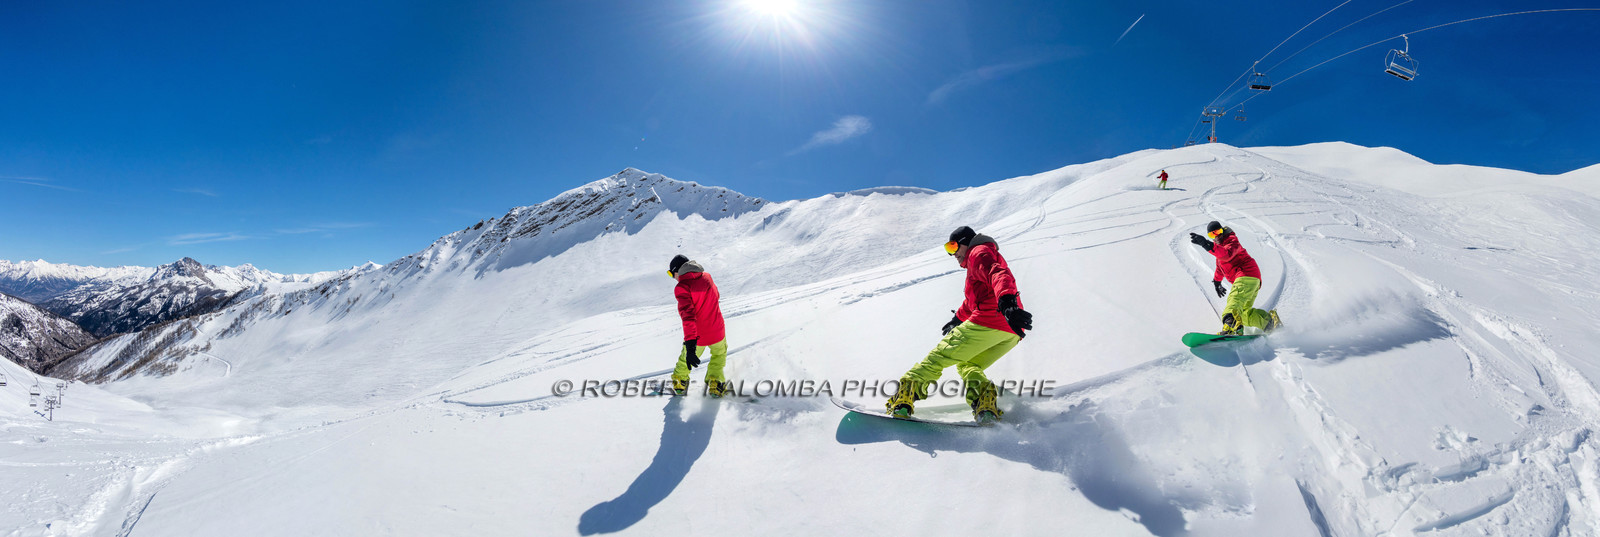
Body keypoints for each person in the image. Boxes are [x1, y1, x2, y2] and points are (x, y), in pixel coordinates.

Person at [886, 226, 1034, 423]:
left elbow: (998, 274)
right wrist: (958, 319)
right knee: (968, 364)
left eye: (953, 246)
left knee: (936, 359)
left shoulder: (978, 252)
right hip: (1010, 331)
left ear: (966, 242)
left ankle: (904, 399)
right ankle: (984, 404)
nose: (952, 254)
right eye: (948, 249)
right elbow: (973, 301)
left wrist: (1007, 300)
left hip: (988, 321)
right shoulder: (979, 258)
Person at [1189, 221, 1281, 335]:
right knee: (1244, 313)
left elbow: (1226, 254)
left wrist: (1207, 244)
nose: (1216, 236)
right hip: (1251, 280)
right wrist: (1217, 282)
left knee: (1234, 300)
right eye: (1212, 234)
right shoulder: (1220, 249)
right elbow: (1219, 268)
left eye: (1218, 232)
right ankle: (1269, 323)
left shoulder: (1232, 241)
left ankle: (1231, 325)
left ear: (1223, 231)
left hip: (1245, 275)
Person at [668, 254, 730, 397]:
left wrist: (690, 344)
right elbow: (717, 295)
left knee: (686, 359)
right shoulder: (707, 277)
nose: (672, 277)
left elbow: (688, 317)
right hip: (717, 330)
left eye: (671, 274)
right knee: (719, 355)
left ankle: (680, 381)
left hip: (698, 335)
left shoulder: (682, 287)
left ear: (677, 271)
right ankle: (716, 383)